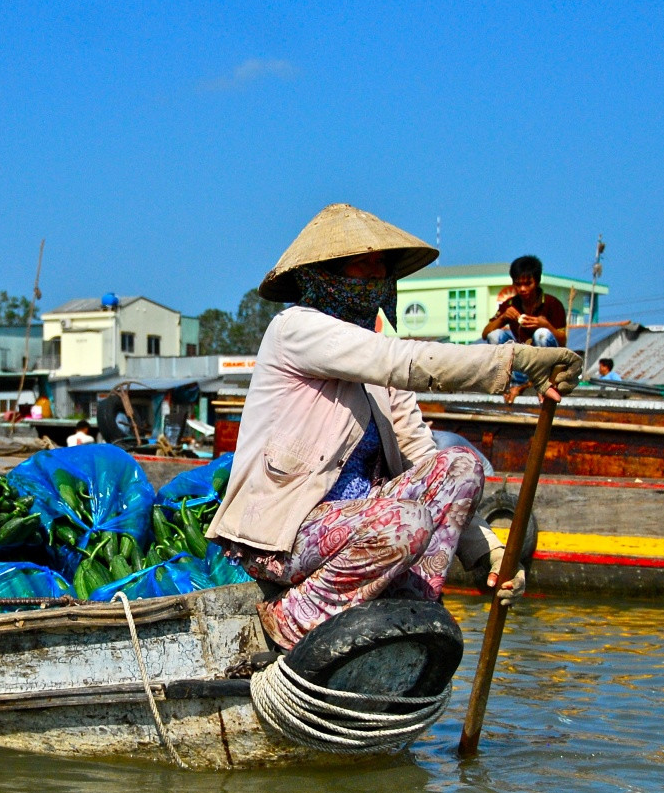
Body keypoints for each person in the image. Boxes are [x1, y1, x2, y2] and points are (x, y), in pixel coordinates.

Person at [208, 204, 581, 650]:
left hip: (368, 528)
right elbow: (402, 361)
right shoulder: (297, 329)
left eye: (380, 265)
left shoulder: (379, 357)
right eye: (360, 264)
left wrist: (491, 554)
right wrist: (514, 360)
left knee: (460, 465)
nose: (375, 274)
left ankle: (416, 602)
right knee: (405, 519)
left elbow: (425, 461)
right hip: (281, 536)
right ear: (326, 273)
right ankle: (293, 616)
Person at [479, 255, 567, 401]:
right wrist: (503, 317)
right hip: (524, 364)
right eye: (518, 284)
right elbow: (485, 334)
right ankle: (512, 381)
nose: (522, 289)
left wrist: (546, 325)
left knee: (542, 334)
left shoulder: (552, 304)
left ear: (537, 282)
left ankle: (545, 383)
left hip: (547, 364)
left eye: (528, 284)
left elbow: (563, 342)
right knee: (495, 335)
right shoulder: (510, 304)